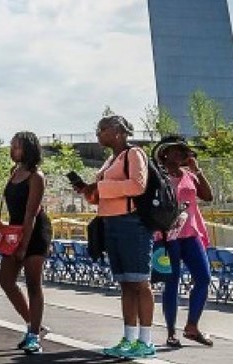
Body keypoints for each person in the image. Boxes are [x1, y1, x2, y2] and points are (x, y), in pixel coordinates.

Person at [69, 115, 155, 360]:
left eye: (102, 129)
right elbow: (103, 195)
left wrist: (101, 188)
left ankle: (146, 340)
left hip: (132, 224)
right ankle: (128, 338)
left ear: (118, 131)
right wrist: (89, 191)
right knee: (126, 283)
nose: (98, 133)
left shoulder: (134, 154)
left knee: (140, 282)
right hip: (112, 223)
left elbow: (138, 186)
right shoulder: (110, 160)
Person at [153, 135, 213, 348]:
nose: (180, 155)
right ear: (165, 153)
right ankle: (171, 332)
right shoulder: (157, 176)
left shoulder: (189, 175)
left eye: (183, 152)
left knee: (204, 278)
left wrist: (197, 170)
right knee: (171, 283)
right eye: (176, 151)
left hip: (190, 234)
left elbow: (208, 196)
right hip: (167, 237)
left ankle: (192, 326)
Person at [0, 132, 51, 355]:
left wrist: (22, 246)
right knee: (6, 280)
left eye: (16, 147)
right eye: (12, 146)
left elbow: (31, 215)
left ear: (27, 149)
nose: (12, 150)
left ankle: (34, 337)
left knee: (33, 284)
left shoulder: (36, 177)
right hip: (15, 231)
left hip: (34, 233)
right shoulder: (14, 173)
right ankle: (34, 325)